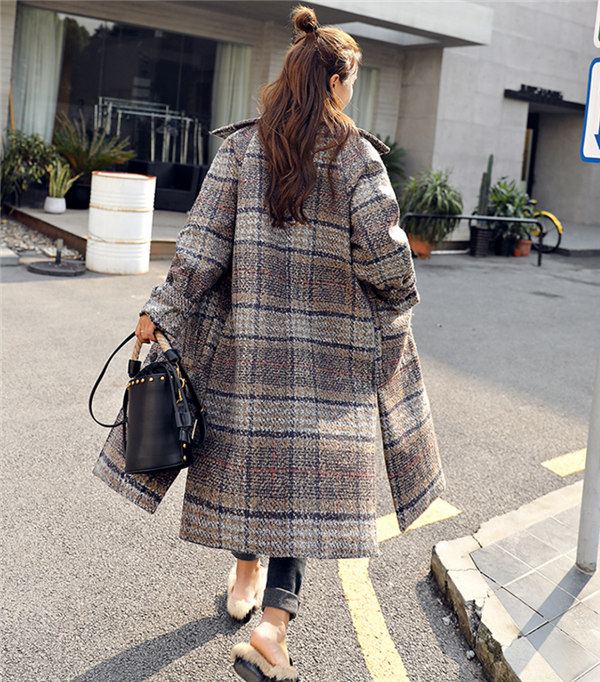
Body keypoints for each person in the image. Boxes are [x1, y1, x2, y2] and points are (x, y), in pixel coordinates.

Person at [94, 6, 444, 682]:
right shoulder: (358, 158)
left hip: (246, 353)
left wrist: (161, 309)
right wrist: (398, 299)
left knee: (257, 467)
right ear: (335, 81)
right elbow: (387, 260)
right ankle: (272, 625)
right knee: (300, 490)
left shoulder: (241, 149)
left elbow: (200, 244)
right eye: (353, 80)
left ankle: (248, 576)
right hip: (328, 362)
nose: (353, 91)